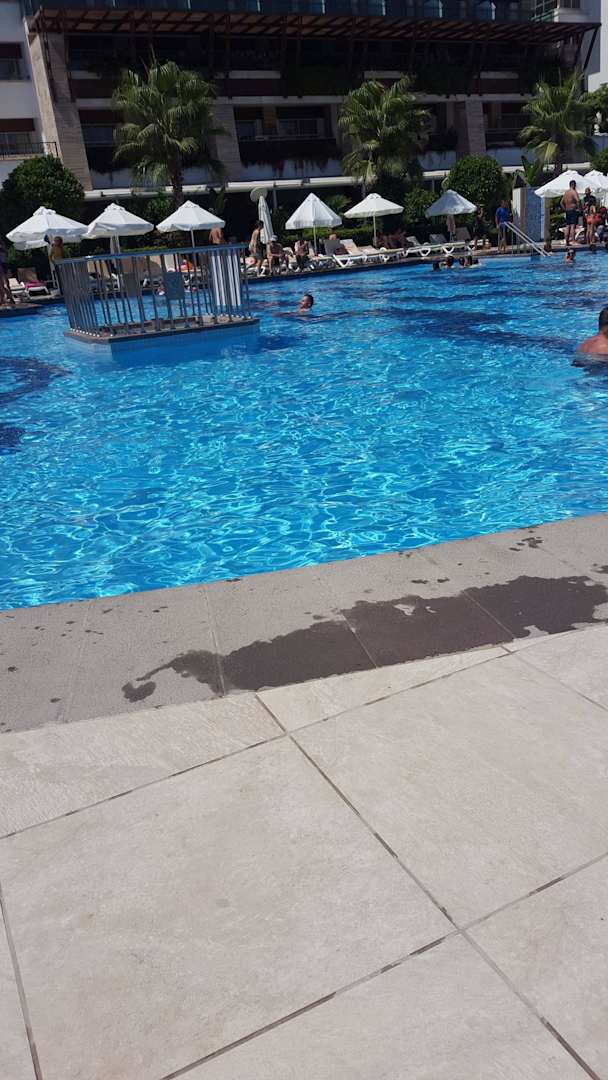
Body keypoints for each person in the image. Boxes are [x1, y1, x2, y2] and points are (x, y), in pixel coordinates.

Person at [560, 180, 581, 247]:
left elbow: (561, 202)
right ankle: (573, 241)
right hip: (572, 210)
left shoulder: (566, 193)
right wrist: (579, 208)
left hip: (567, 211)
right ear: (574, 185)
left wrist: (565, 209)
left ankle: (567, 242)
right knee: (572, 226)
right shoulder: (573, 192)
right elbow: (578, 200)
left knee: (567, 226)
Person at [0, 236, 16, 307]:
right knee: (4, 285)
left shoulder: (1, 248)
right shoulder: (3, 248)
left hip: (2, 266)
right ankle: (3, 300)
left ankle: (6, 299)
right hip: (3, 265)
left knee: (4, 285)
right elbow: (6, 255)